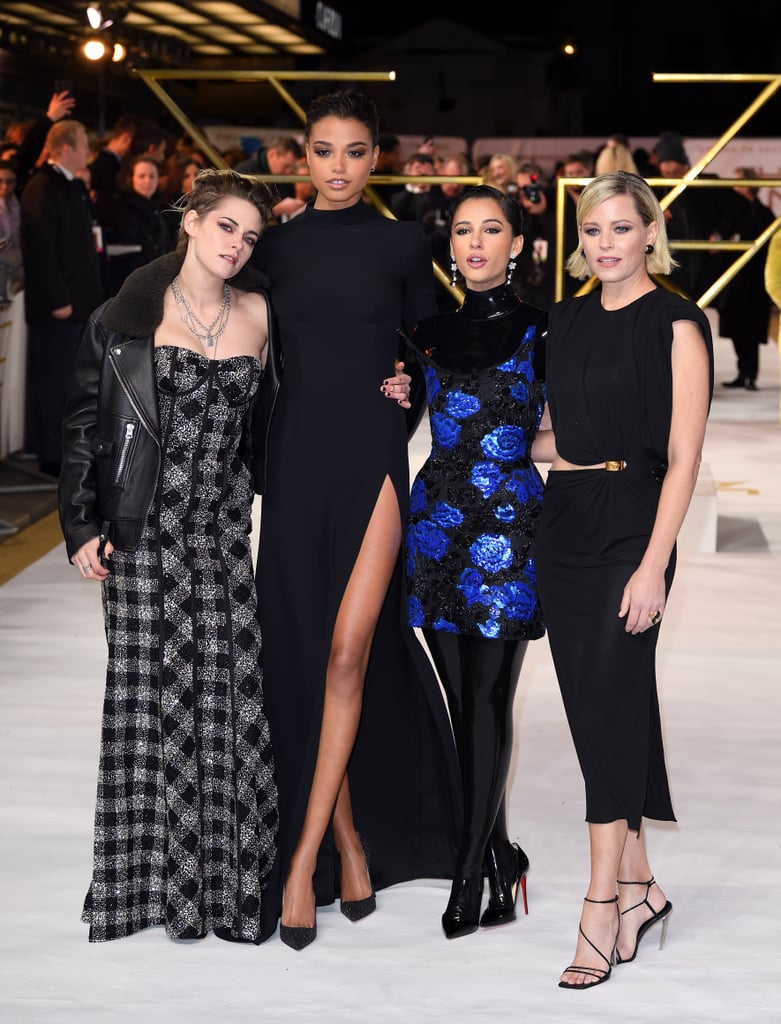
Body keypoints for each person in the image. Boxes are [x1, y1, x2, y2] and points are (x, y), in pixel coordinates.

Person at [250, 88, 460, 950]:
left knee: (347, 651)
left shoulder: (402, 243)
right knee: (300, 653)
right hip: (295, 459)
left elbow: (443, 342)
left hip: (372, 456)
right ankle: (345, 841)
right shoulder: (276, 247)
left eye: (355, 151)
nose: (338, 166)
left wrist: (414, 388)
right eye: (324, 150)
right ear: (305, 154)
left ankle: (300, 866)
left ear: (377, 159)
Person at [57, 168, 283, 944]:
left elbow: (278, 421)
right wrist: (80, 523)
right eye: (225, 226)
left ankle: (223, 889)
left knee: (227, 706)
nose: (236, 244)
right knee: (148, 709)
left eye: (250, 236)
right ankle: (144, 892)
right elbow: (85, 422)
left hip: (221, 535)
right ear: (190, 220)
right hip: (142, 534)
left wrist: (398, 387)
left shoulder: (258, 313)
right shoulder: (128, 313)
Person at [532, 171, 713, 989]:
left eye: (619, 228)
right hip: (564, 520)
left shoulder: (675, 323)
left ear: (649, 232)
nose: (605, 244)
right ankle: (640, 886)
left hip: (632, 522)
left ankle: (601, 903)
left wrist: (651, 566)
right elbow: (544, 437)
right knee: (596, 708)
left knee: (608, 699)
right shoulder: (562, 322)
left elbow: (682, 459)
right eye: (593, 230)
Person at [404, 185, 548, 938]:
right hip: (433, 529)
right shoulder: (423, 334)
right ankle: (500, 854)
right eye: (464, 231)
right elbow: (394, 416)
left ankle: (469, 873)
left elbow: (569, 427)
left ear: (516, 244)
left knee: (489, 701)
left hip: (511, 531)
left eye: (492, 230)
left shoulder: (543, 327)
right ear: (449, 245)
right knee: (463, 708)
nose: (476, 243)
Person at [20, 119, 104, 477]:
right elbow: (40, 250)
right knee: (53, 380)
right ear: (67, 148)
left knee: (66, 379)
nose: (89, 151)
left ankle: (61, 448)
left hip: (75, 302)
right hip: (58, 306)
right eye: (85, 143)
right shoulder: (43, 186)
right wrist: (57, 299)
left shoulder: (67, 187)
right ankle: (50, 453)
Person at [716, 167, 775, 391]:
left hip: (754, 282)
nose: (733, 186)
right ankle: (743, 372)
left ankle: (750, 374)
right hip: (735, 281)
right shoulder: (731, 212)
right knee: (736, 328)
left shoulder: (763, 214)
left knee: (750, 330)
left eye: (737, 181)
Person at [106, 154, 172, 295]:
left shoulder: (159, 206)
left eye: (152, 176)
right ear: (132, 179)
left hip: (157, 279)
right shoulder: (123, 209)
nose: (147, 181)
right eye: (142, 176)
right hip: (133, 282)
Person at [233, 135, 306, 221]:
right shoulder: (245, 172)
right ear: (272, 154)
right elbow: (240, 213)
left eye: (292, 168)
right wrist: (278, 210)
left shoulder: (283, 177)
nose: (288, 171)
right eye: (286, 166)